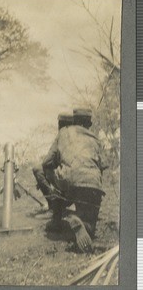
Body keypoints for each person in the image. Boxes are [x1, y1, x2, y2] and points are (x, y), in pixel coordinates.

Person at [44, 108, 106, 252]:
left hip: (70, 183)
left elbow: (46, 163)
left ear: (74, 120)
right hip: (94, 185)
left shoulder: (63, 133)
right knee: (91, 229)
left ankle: (59, 216)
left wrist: (53, 181)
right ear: (89, 124)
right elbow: (101, 166)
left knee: (58, 176)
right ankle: (84, 222)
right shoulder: (95, 138)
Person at [32, 113, 73, 212]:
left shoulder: (61, 136)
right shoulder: (82, 136)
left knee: (38, 169)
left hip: (67, 184)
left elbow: (46, 162)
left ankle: (54, 205)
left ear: (60, 124)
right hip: (84, 184)